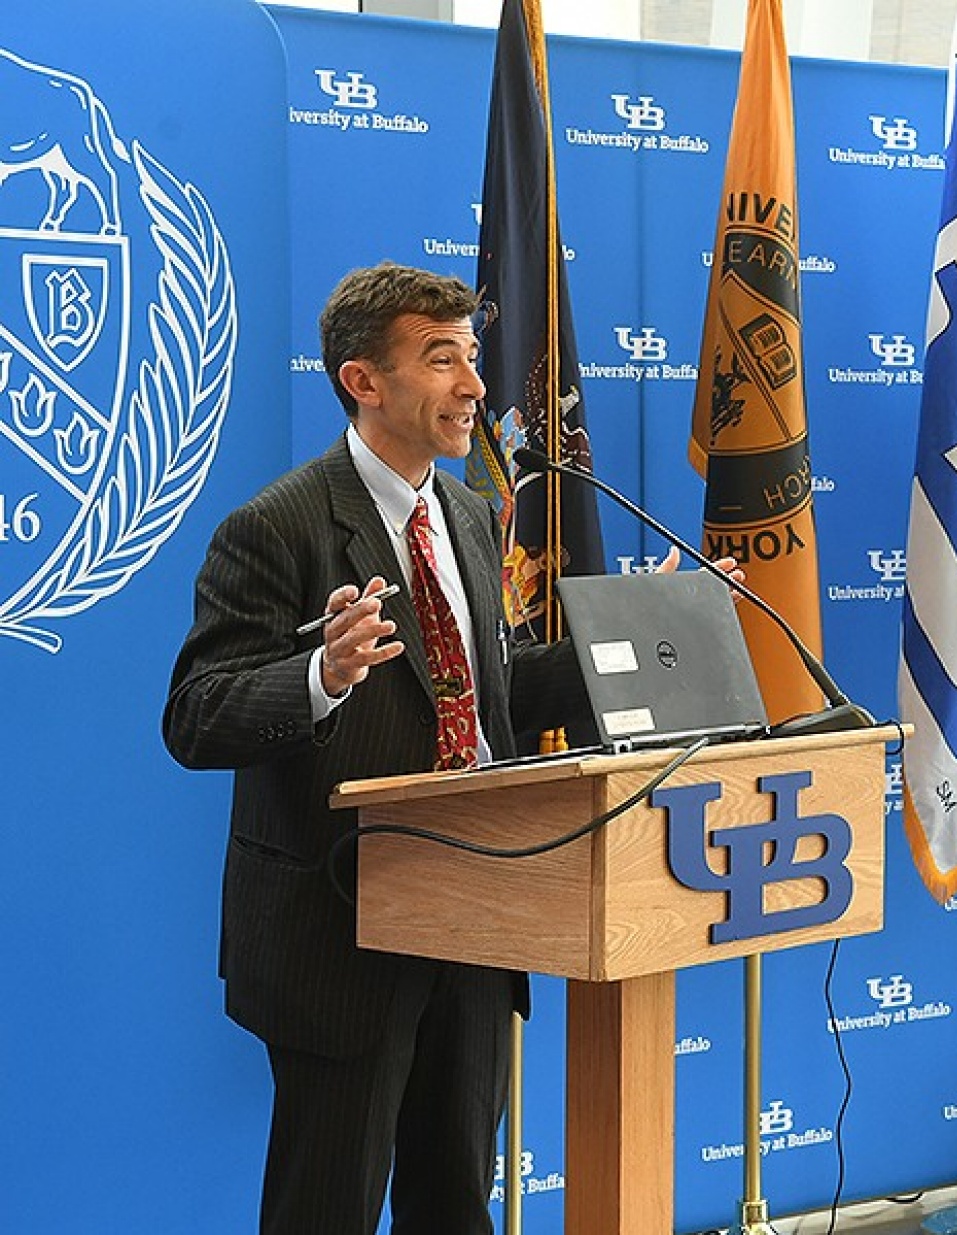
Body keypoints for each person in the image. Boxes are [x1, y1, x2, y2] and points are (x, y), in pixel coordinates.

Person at [163, 261, 592, 1234]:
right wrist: (322, 674)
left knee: (455, 1202)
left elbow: (490, 695)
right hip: (339, 933)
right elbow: (196, 713)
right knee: (328, 1208)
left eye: (473, 356)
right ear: (363, 379)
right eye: (442, 359)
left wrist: (640, 642)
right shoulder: (274, 527)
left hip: (476, 910)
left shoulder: (471, 516)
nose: (475, 386)